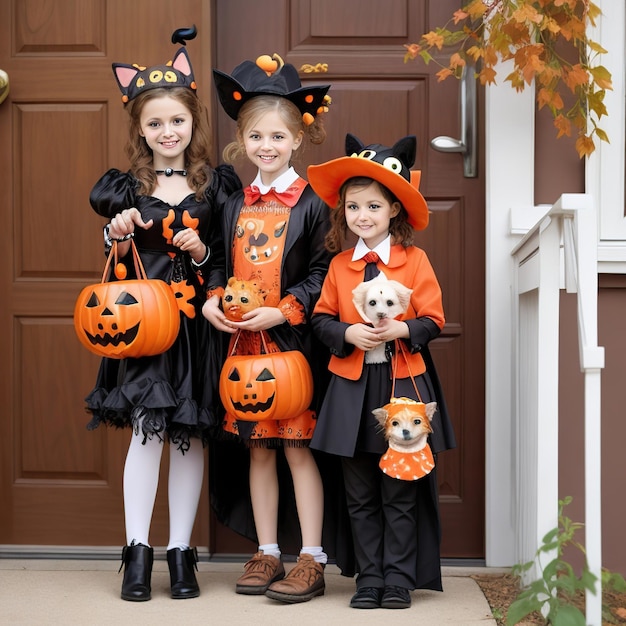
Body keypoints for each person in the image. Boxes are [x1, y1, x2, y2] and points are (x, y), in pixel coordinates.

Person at [84, 29, 240, 602]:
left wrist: (203, 257)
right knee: (147, 438)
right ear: (140, 130)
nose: (167, 132)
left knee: (189, 439)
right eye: (154, 124)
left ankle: (181, 554)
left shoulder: (217, 185)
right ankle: (136, 553)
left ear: (194, 123)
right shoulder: (125, 188)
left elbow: (228, 254)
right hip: (147, 326)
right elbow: (116, 261)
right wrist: (118, 234)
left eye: (176, 121)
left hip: (197, 326)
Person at [307, 134, 457, 610]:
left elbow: (433, 319)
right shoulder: (338, 266)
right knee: (359, 488)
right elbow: (321, 319)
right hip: (352, 388)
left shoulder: (415, 261)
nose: (363, 215)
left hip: (402, 385)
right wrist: (347, 335)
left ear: (394, 209)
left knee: (400, 487)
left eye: (374, 205)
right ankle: (367, 578)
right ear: (343, 212)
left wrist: (398, 330)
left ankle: (398, 578)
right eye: (353, 206)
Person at [203, 54, 332, 603]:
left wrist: (285, 309)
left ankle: (311, 556)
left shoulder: (314, 204)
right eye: (256, 136)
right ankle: (267, 550)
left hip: (291, 343)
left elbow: (326, 271)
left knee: (298, 449)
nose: (267, 146)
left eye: (278, 136)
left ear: (297, 139)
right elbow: (214, 264)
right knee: (258, 448)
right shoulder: (232, 203)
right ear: (241, 138)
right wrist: (212, 297)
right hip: (243, 348)